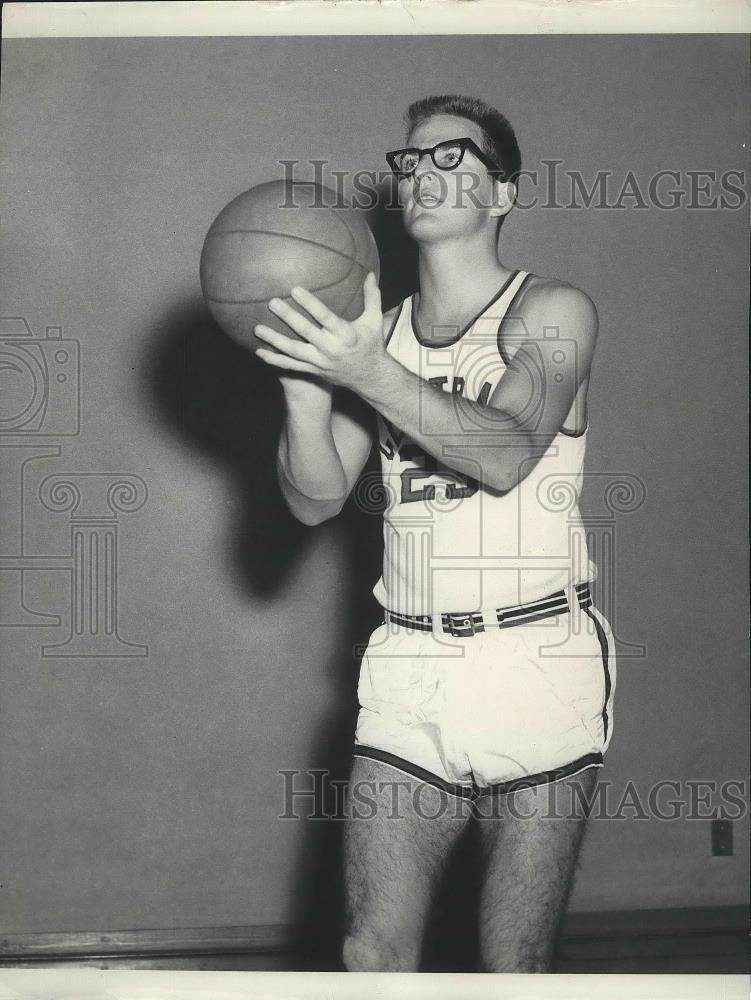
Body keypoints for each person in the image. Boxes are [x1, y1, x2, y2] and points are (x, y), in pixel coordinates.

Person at [253, 94, 616, 974]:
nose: (422, 173)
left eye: (452, 156)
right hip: (410, 663)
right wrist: (307, 399)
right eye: (410, 160)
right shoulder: (372, 338)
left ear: (503, 194)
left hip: (535, 659)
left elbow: (502, 453)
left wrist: (365, 371)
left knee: (511, 965)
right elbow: (314, 498)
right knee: (369, 955)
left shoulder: (553, 312)